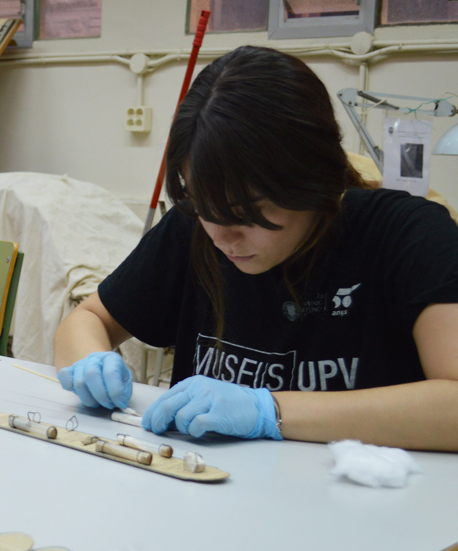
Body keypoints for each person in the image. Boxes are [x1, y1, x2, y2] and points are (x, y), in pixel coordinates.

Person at [53, 45, 458, 452]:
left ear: (313, 178)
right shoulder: (193, 228)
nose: (222, 238)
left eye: (248, 213)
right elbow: (88, 319)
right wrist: (91, 362)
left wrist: (270, 411)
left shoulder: (408, 234)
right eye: (204, 207)